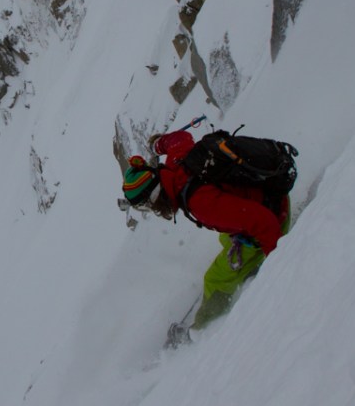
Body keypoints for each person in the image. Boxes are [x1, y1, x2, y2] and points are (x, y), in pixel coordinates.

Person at [122, 127, 291, 335]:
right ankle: (247, 263)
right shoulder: (177, 162)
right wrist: (158, 145)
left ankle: (201, 329)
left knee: (215, 279)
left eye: (146, 205)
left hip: (276, 214)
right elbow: (181, 138)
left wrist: (280, 265)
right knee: (226, 236)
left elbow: (263, 222)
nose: (151, 210)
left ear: (155, 196)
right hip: (268, 193)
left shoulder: (201, 203)